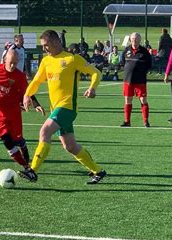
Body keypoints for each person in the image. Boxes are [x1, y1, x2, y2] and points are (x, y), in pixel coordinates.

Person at [19, 30, 107, 185]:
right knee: (70, 146)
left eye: (46, 45)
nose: (44, 49)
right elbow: (36, 81)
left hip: (67, 107)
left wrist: (93, 87)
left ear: (55, 42)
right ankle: (98, 171)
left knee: (44, 131)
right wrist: (27, 95)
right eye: (43, 46)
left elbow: (96, 73)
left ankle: (32, 171)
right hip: (56, 109)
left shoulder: (72, 58)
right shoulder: (46, 61)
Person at [0, 50, 45, 179]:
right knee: (7, 141)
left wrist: (36, 104)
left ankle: (22, 145)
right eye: (11, 63)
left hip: (13, 113)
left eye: (15, 63)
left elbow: (28, 92)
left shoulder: (19, 76)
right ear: (5, 60)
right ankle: (26, 166)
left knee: (17, 140)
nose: (13, 66)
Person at [120, 32, 152, 128]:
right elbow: (122, 62)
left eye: (136, 38)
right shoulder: (126, 50)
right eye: (133, 38)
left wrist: (141, 72)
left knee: (143, 100)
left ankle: (146, 122)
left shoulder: (144, 52)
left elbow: (149, 65)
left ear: (140, 40)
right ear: (130, 39)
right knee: (127, 100)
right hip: (128, 80)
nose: (134, 40)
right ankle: (127, 121)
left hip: (140, 81)